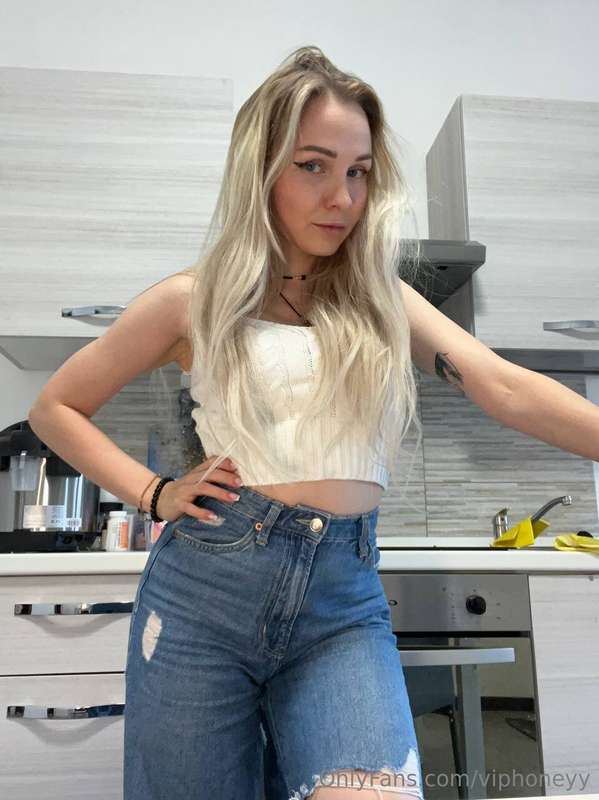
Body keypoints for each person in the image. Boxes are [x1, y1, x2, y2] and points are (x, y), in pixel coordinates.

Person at [28, 45, 547, 799]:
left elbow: (504, 387)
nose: (342, 196)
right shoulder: (191, 301)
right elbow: (55, 408)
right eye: (312, 166)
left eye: (358, 171)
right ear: (261, 170)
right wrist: (155, 493)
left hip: (342, 605)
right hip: (205, 599)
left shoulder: (383, 301)